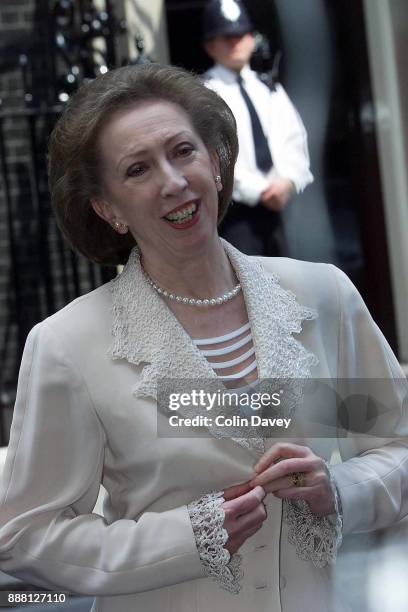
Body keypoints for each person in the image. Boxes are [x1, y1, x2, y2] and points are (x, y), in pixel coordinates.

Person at [0, 63, 406, 612]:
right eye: (138, 169)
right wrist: (188, 538)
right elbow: (26, 536)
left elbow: (396, 449)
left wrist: (338, 492)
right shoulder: (68, 345)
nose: (172, 181)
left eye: (183, 151)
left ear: (215, 163)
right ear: (108, 208)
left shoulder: (323, 296)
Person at [202, 0, 314, 256]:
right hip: (238, 214)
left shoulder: (268, 87)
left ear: (252, 39)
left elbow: (295, 140)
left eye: (240, 35)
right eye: (225, 37)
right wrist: (259, 190)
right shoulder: (205, 94)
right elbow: (212, 154)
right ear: (210, 46)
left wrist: (287, 181)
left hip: (283, 207)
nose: (234, 43)